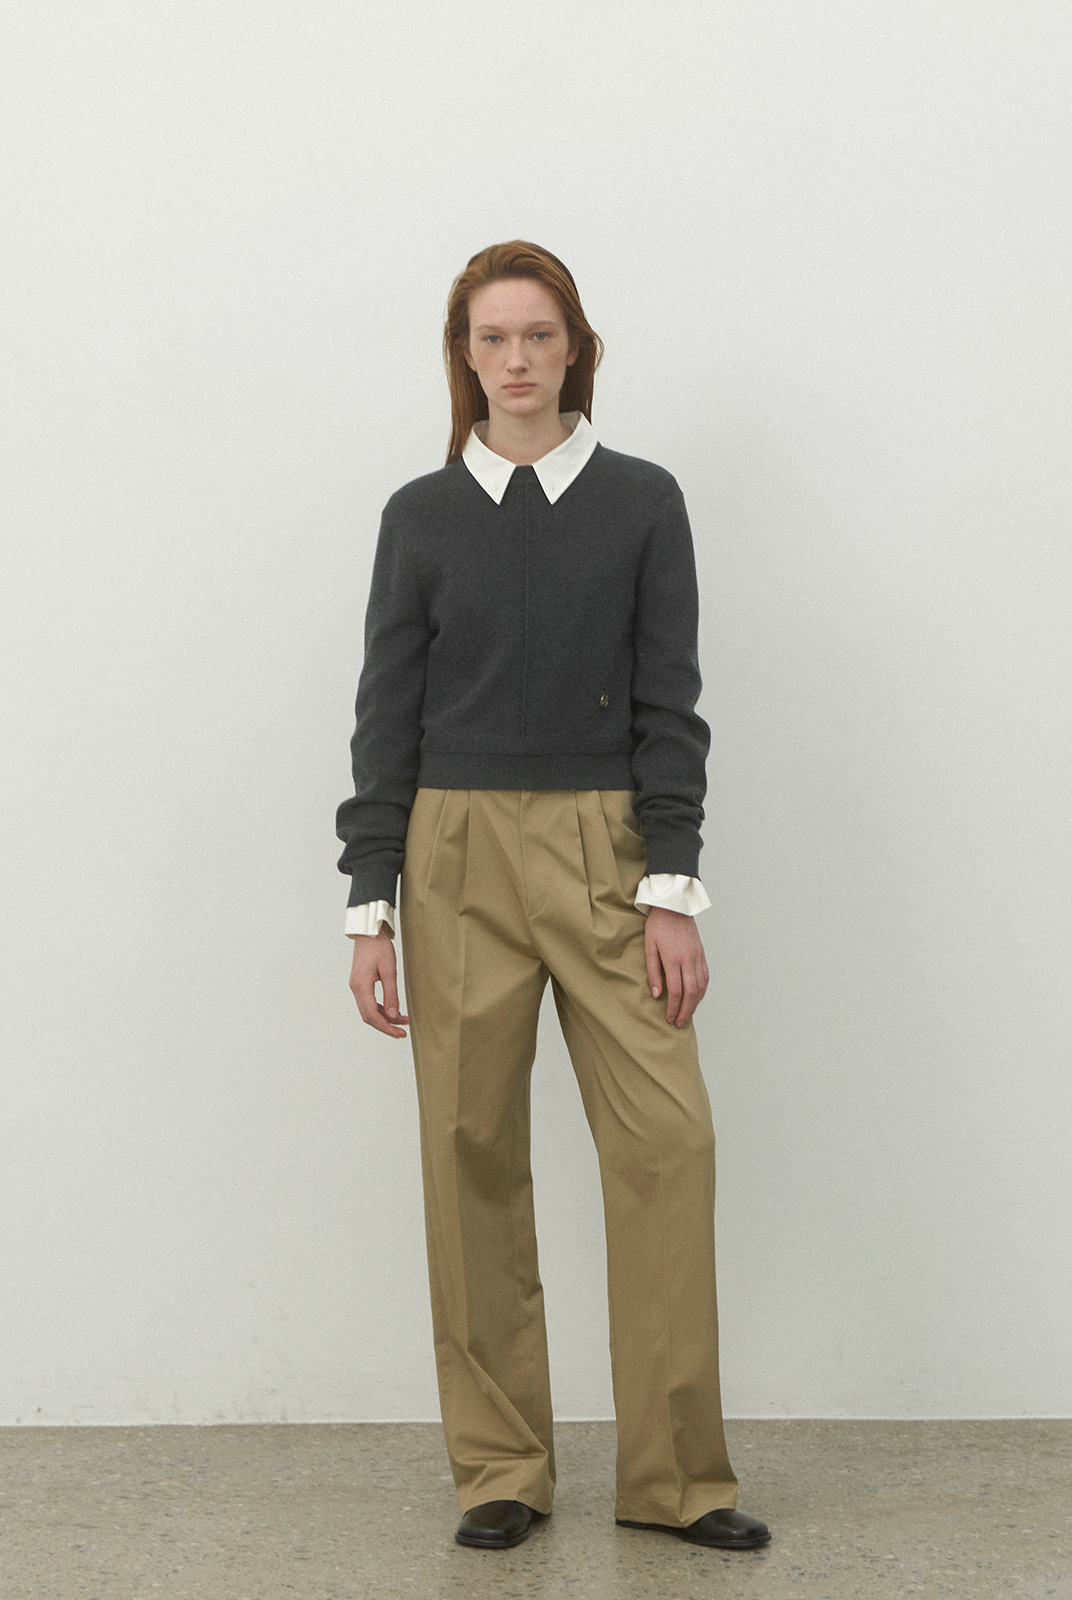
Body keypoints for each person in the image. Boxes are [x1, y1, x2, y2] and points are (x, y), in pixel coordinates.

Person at [335, 240, 770, 1555]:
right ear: (464, 358)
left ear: (575, 347)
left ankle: (677, 1479)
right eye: (492, 338)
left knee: (668, 1144)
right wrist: (370, 903)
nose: (516, 359)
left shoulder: (642, 501)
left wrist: (670, 887)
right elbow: (386, 713)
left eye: (538, 335)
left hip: (607, 849)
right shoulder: (421, 515)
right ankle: (500, 1469)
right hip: (452, 852)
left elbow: (669, 701)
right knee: (468, 1152)